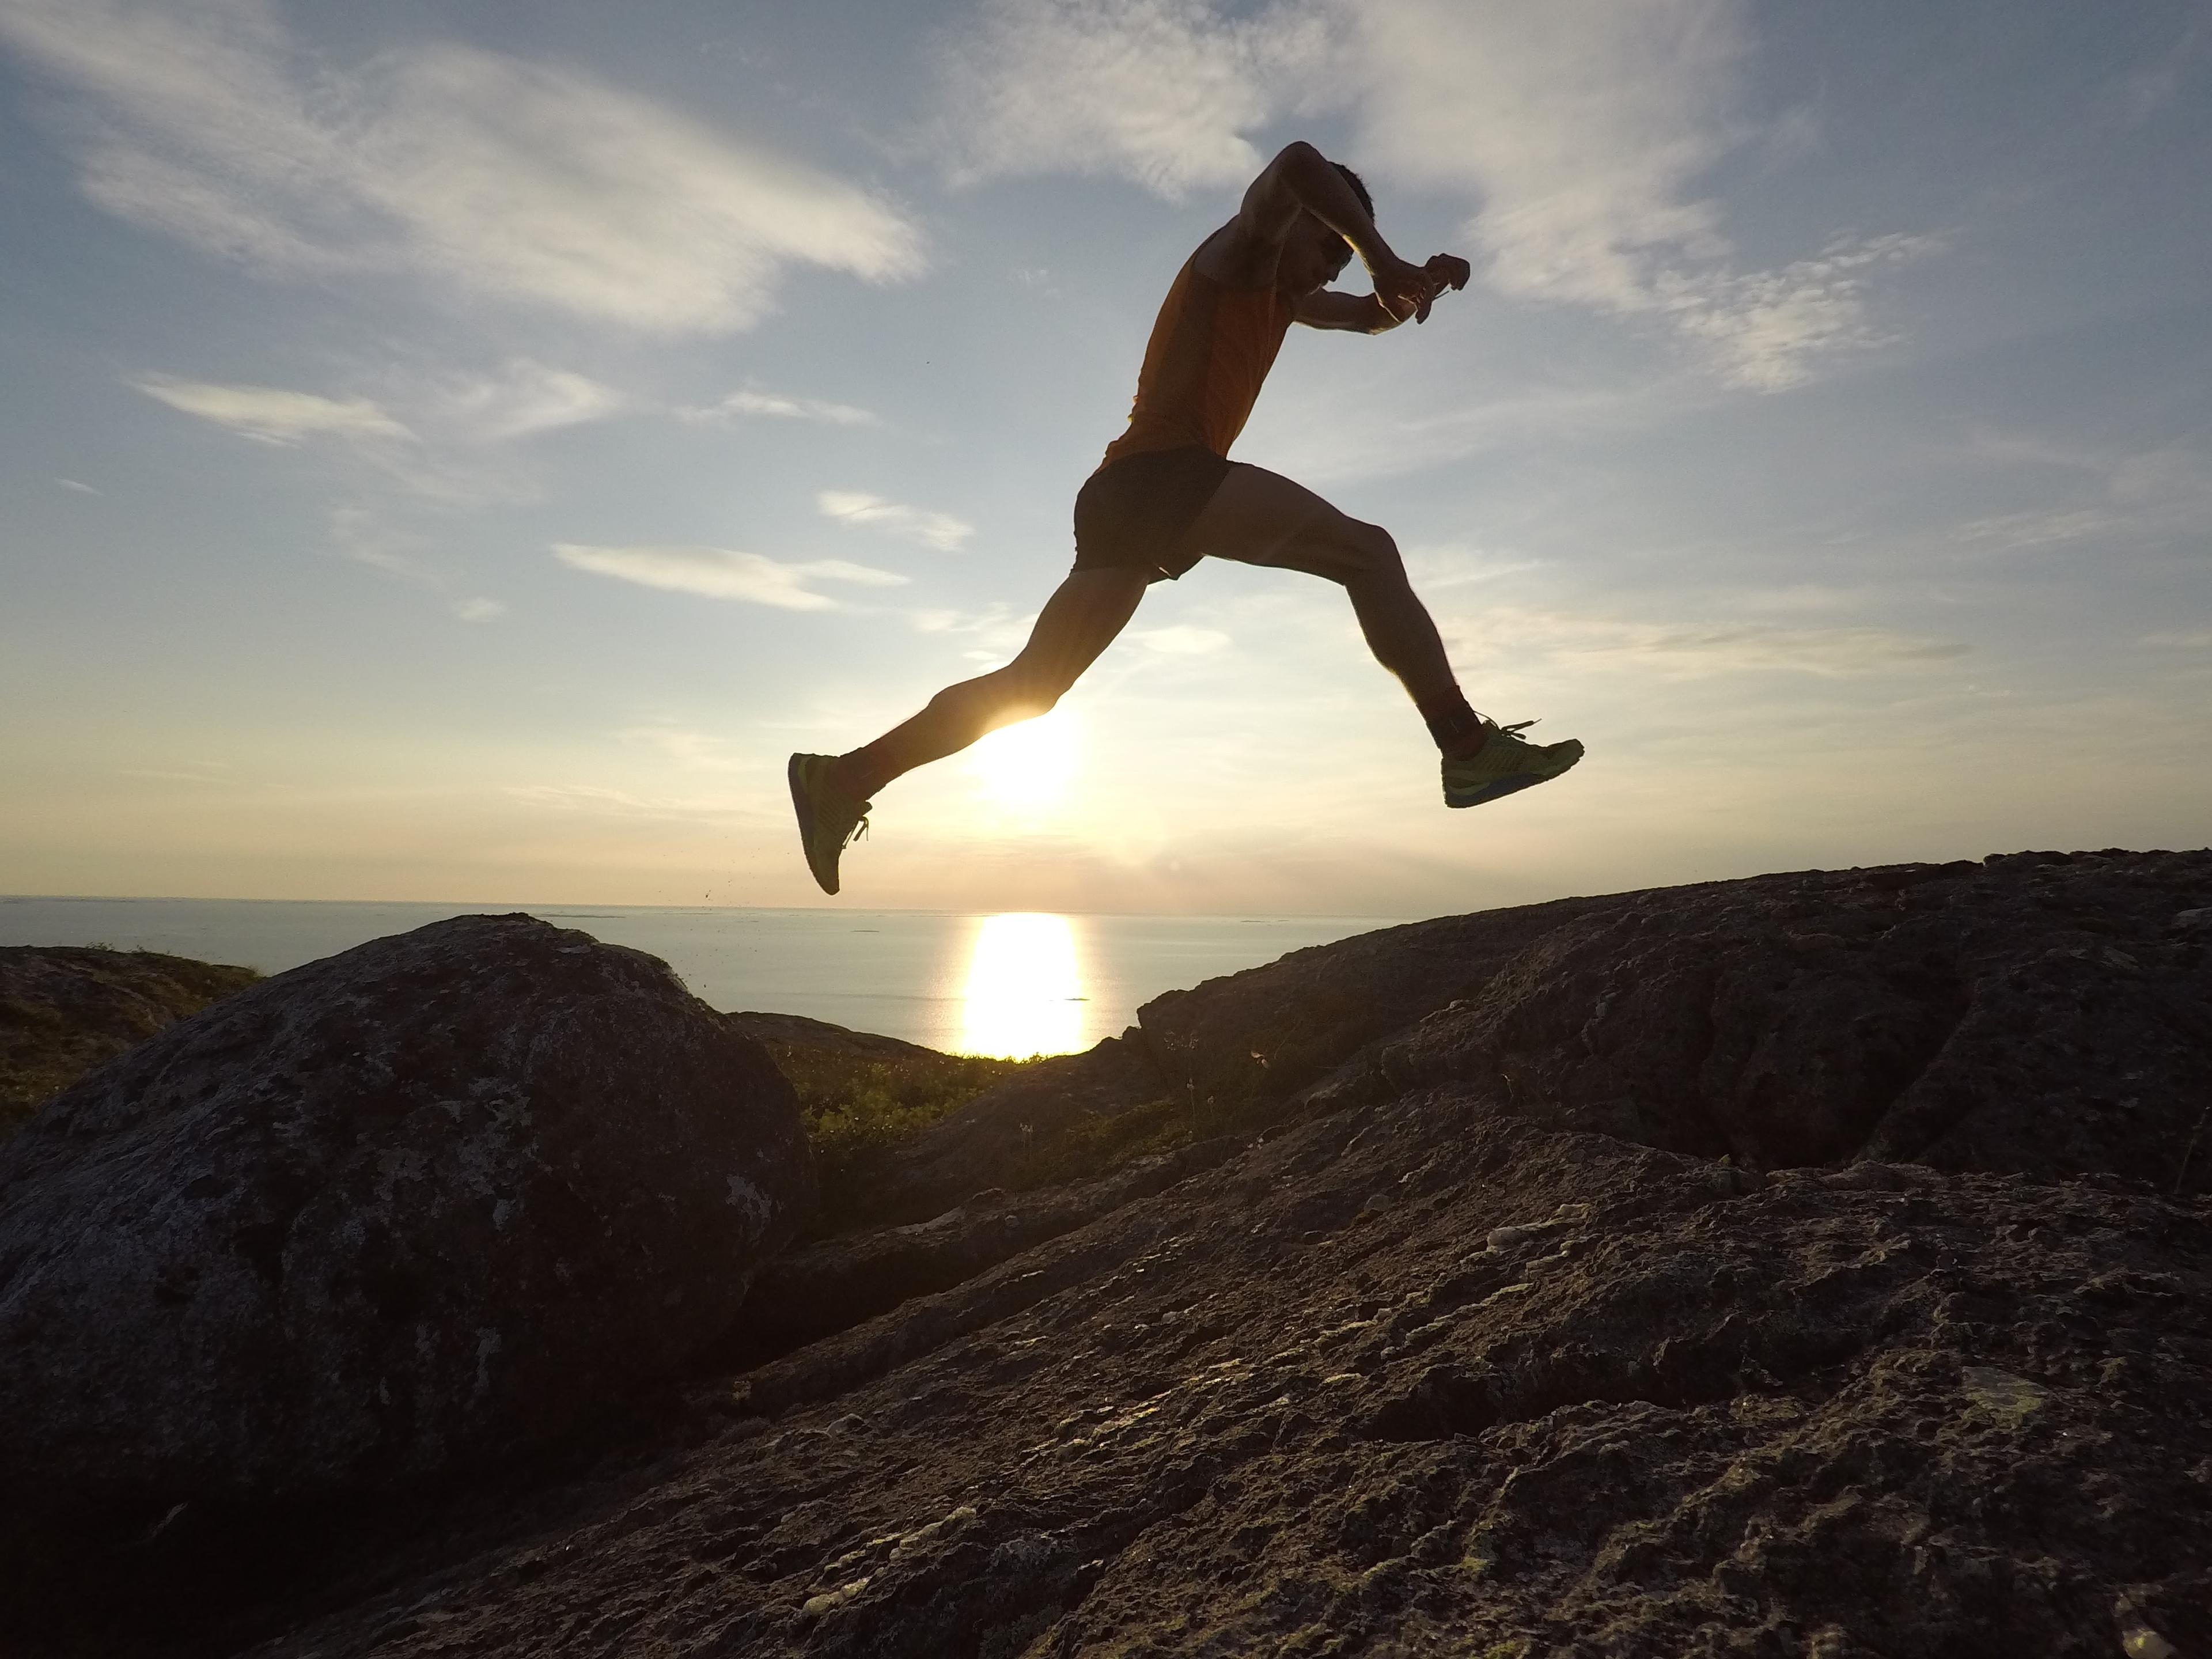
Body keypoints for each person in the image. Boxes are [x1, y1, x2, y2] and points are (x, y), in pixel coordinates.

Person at [787, 141, 1582, 895]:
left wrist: (1413, 289)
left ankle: (844, 778)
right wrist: (1379, 253)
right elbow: (1298, 163)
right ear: (1306, 220)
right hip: (1162, 477)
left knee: (1034, 689)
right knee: (1367, 554)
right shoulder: (1241, 254)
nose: (1327, 266)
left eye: (1338, 261)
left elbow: (1365, 317)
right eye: (1327, 247)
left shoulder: (1281, 298)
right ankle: (1467, 750)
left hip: (1127, 495)